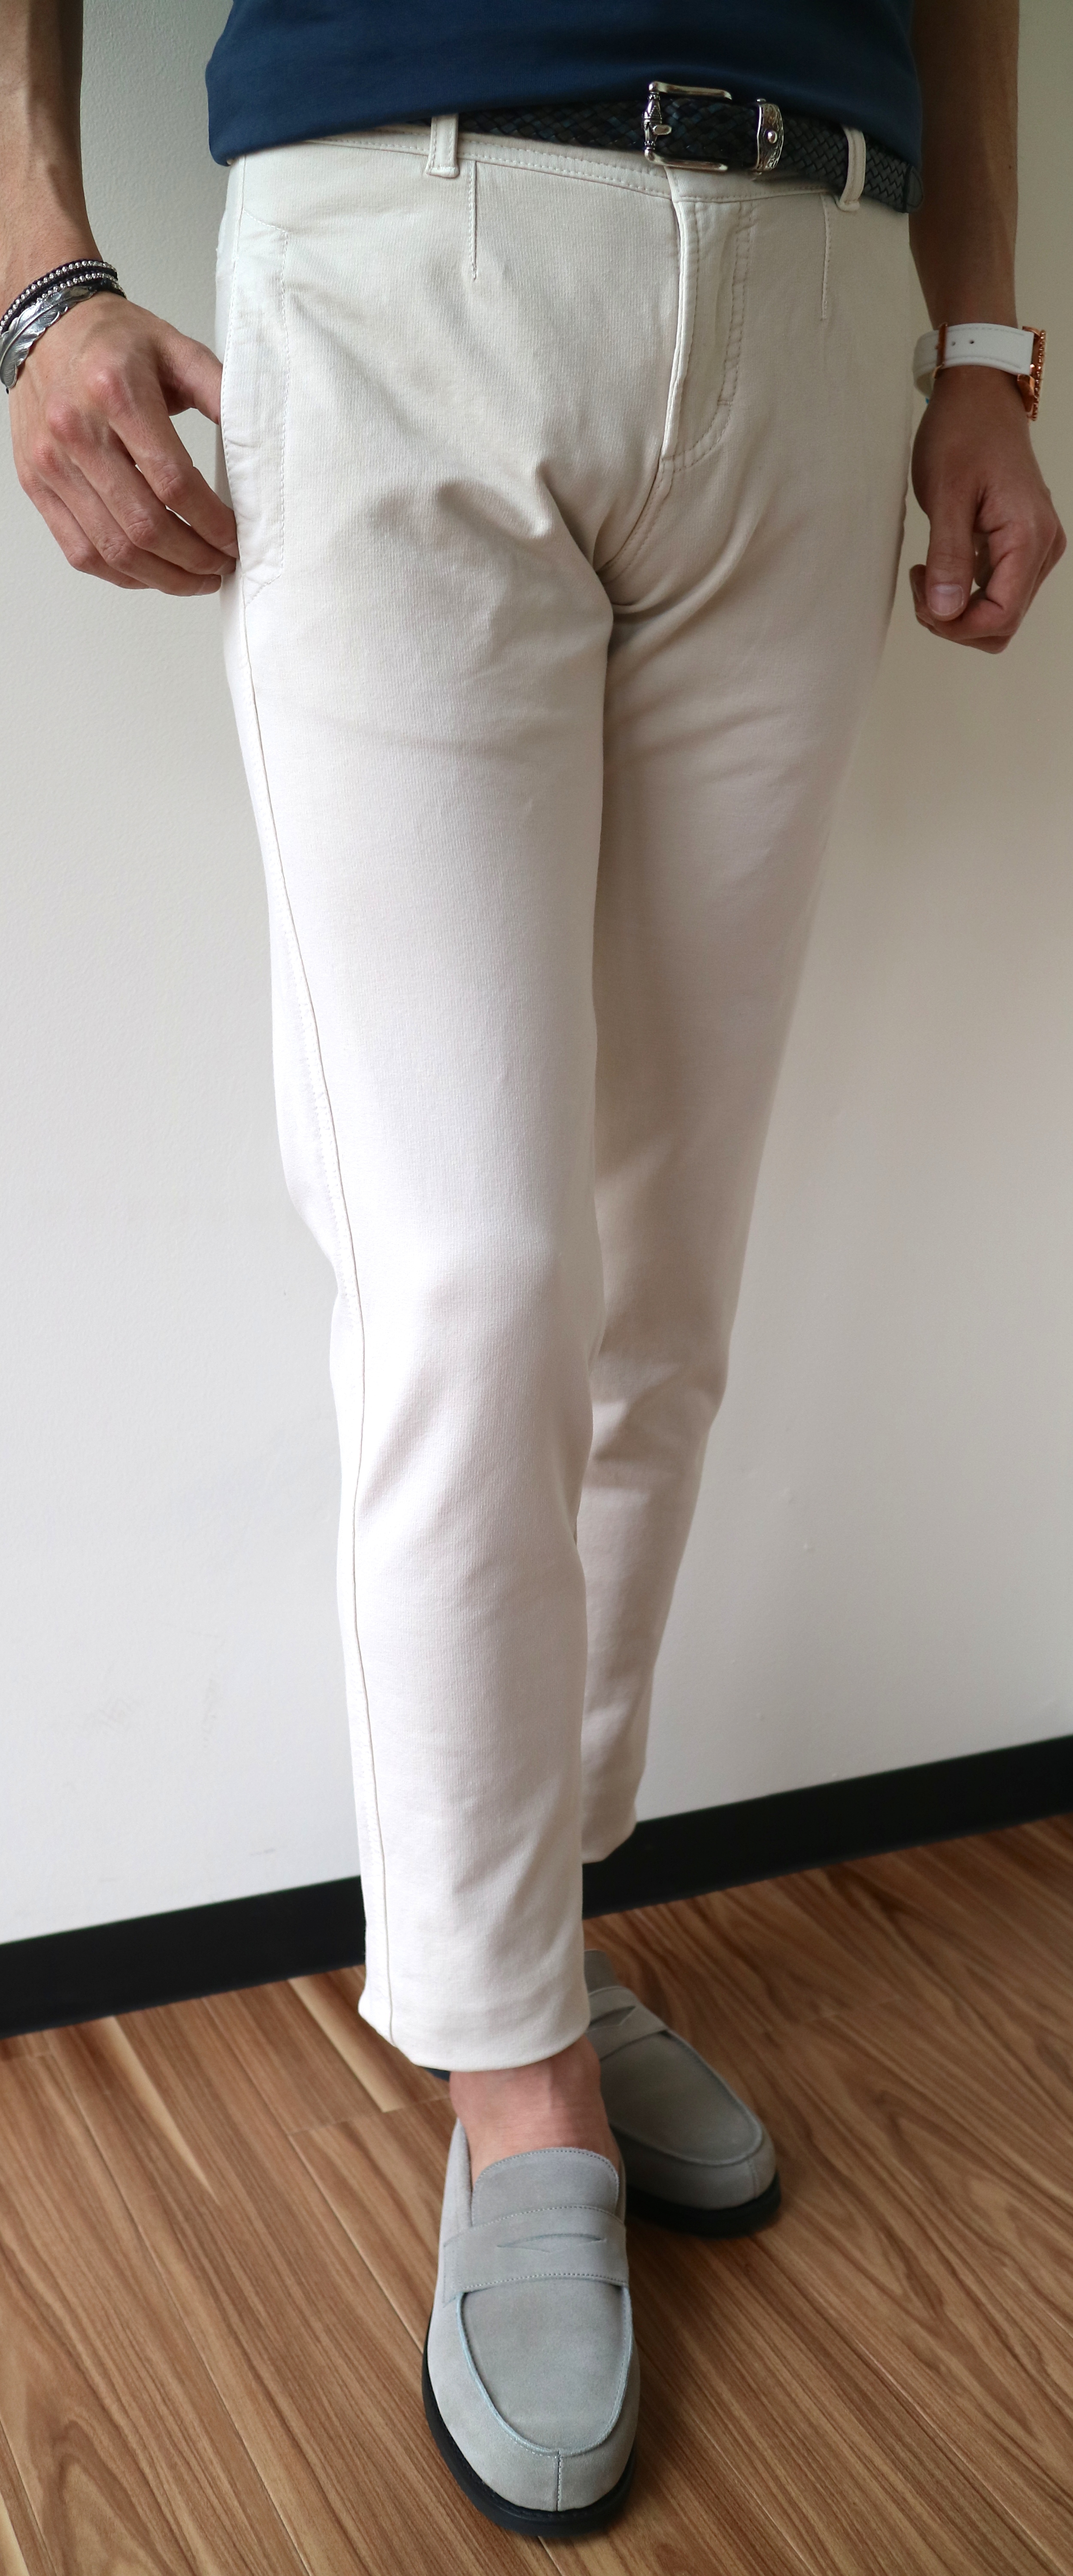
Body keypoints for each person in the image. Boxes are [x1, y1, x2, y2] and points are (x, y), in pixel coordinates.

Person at [1, 0, 1064, 2538]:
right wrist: (38, 282)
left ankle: (532, 1936)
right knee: (470, 1273)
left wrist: (986, 341)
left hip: (816, 279)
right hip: (402, 244)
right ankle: (509, 2072)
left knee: (659, 1291)